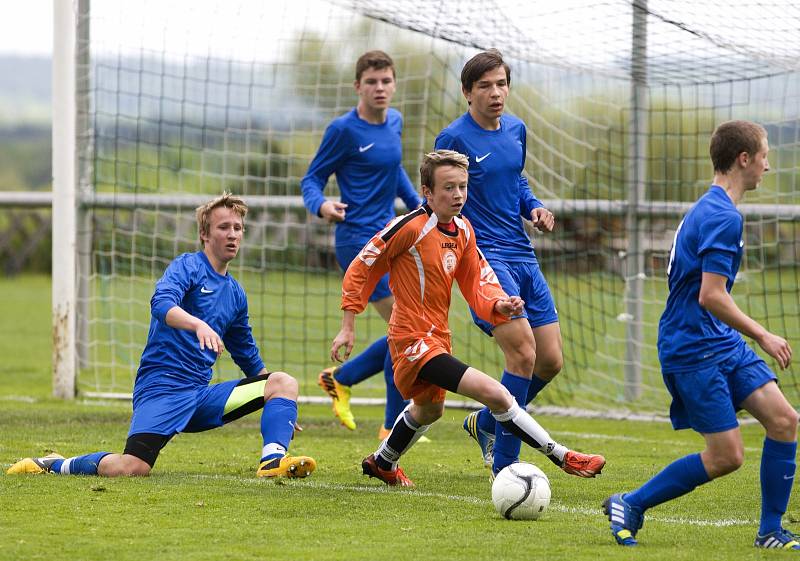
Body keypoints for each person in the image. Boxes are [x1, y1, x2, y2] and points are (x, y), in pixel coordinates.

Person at [330, 149, 605, 487]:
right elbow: (363, 265)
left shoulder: (463, 230)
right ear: (427, 192)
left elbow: (478, 281)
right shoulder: (409, 227)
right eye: (448, 188)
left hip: (437, 338)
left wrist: (500, 305)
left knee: (430, 410)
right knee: (497, 394)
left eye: (462, 186)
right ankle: (563, 457)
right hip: (411, 341)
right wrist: (348, 324)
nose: (458, 195)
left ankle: (383, 461)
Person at [7, 193, 316, 479]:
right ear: (205, 235)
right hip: (161, 391)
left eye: (238, 227)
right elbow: (161, 303)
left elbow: (248, 355)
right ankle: (55, 464)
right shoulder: (188, 266)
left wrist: (279, 406)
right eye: (224, 227)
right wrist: (197, 324)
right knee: (132, 468)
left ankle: (273, 461)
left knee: (283, 383)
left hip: (200, 397)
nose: (233, 234)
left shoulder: (235, 294)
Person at [603, 120, 798, 549]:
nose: (768, 166)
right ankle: (630, 503)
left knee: (784, 421)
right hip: (692, 346)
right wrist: (763, 334)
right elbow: (712, 295)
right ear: (744, 159)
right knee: (727, 457)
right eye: (764, 156)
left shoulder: (712, 207)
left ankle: (770, 532)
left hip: (719, 341)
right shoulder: (722, 216)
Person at [434, 49, 562, 476]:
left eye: (501, 84)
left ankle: (488, 421)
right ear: (467, 92)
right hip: (484, 260)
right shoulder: (453, 138)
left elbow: (518, 182)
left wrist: (536, 208)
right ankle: (508, 470)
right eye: (485, 85)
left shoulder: (516, 130)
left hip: (523, 253)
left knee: (550, 361)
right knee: (523, 353)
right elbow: (439, 197)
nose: (495, 93)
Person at [302, 50, 422, 438]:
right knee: (406, 330)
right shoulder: (343, 130)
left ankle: (343, 377)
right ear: (358, 86)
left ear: (394, 83)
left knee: (405, 330)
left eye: (386, 80)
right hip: (358, 242)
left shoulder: (396, 122)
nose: (380, 88)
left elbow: (395, 170)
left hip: (393, 238)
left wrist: (423, 210)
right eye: (372, 82)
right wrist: (321, 205)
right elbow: (311, 179)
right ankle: (392, 427)